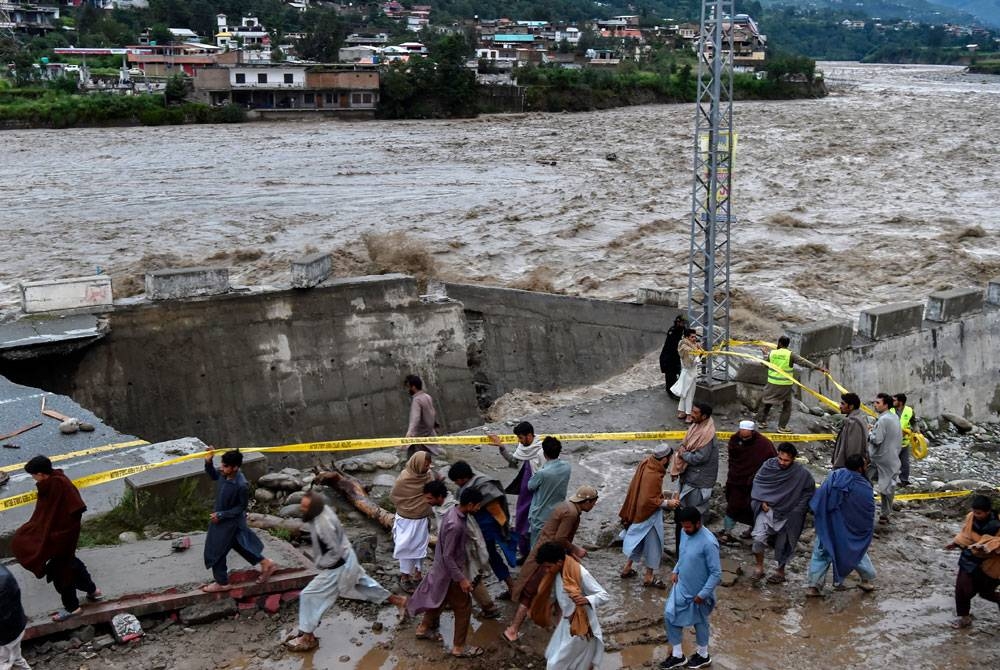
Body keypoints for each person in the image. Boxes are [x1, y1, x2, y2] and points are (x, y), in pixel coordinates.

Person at [284, 491, 407, 652]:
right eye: (302, 506)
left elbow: (334, 553)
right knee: (366, 585)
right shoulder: (324, 511)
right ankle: (399, 601)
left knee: (309, 595)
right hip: (349, 558)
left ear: (313, 508)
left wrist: (323, 565)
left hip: (339, 565)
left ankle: (307, 637)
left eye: (305, 507)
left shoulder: (323, 525)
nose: (302, 509)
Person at [503, 486, 599, 643]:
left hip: (550, 553)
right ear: (587, 501)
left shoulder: (567, 506)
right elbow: (560, 538)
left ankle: (559, 630)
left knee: (558, 594)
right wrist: (576, 549)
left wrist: (570, 554)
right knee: (531, 594)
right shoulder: (572, 514)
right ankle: (513, 630)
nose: (594, 506)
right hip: (549, 557)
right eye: (593, 503)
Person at [11, 455, 102, 622]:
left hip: (61, 537)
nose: (33, 479)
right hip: (61, 536)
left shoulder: (58, 485)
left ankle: (72, 608)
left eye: (34, 475)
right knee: (71, 563)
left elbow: (74, 510)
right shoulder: (54, 480)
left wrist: (56, 536)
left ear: (41, 474)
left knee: (61, 572)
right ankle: (93, 591)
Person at [408, 487, 486, 659]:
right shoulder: (456, 525)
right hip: (451, 574)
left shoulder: (453, 513)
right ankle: (459, 647)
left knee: (439, 601)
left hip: (441, 571)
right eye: (478, 505)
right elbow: (448, 556)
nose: (479, 508)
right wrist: (462, 579)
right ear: (471, 504)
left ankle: (423, 629)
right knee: (464, 608)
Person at [423, 479, 501, 620]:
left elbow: (471, 533)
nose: (426, 501)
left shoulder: (452, 514)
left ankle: (430, 622)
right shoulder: (444, 509)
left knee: (465, 579)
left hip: (460, 553)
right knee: (463, 580)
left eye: (429, 498)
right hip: (452, 552)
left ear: (439, 497)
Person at [202, 449, 276, 592]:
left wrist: (221, 515)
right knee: (240, 545)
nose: (222, 469)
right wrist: (208, 461)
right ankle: (266, 563)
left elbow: (241, 507)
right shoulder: (225, 474)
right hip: (223, 519)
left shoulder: (241, 485)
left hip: (228, 522)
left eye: (225, 466)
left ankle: (222, 583)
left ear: (235, 467)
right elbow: (213, 475)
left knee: (216, 550)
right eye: (222, 465)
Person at [806, 454, 877, 596]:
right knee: (855, 552)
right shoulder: (864, 487)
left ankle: (814, 586)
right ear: (860, 468)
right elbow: (867, 512)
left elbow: (820, 497)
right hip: (848, 530)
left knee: (821, 552)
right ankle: (866, 580)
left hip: (828, 525)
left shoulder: (834, 476)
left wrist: (821, 516)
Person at [531, 542, 609, 670]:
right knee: (580, 662)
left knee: (555, 664)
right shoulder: (557, 572)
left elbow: (604, 595)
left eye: (548, 566)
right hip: (566, 623)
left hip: (581, 626)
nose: (546, 571)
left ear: (559, 562)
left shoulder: (580, 573)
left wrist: (586, 599)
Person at [660, 507, 721, 670]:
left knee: (700, 622)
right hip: (681, 585)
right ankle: (678, 656)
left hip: (699, 592)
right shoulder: (685, 532)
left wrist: (703, 594)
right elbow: (684, 554)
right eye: (683, 526)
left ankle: (703, 655)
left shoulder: (709, 542)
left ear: (698, 523)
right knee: (669, 615)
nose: (685, 530)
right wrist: (676, 569)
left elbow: (716, 573)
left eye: (688, 526)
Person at [447, 461, 517, 597]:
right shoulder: (468, 485)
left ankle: (510, 587)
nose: (457, 484)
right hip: (475, 528)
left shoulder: (483, 485)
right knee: (485, 557)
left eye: (457, 481)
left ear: (463, 478)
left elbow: (497, 510)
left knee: (488, 556)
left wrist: (503, 528)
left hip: (486, 528)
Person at [749, 443, 816, 584]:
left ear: (793, 459)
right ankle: (759, 567)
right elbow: (758, 483)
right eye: (780, 458)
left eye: (786, 460)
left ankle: (780, 571)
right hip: (767, 510)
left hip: (788, 514)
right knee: (758, 539)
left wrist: (798, 509)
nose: (782, 462)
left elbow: (809, 491)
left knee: (784, 544)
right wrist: (761, 501)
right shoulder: (768, 467)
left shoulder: (801, 474)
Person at [619, 444, 674, 588]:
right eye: (669, 459)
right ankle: (649, 577)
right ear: (664, 460)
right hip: (649, 515)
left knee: (637, 540)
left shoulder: (647, 463)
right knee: (654, 544)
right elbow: (650, 500)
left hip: (636, 511)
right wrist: (668, 502)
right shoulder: (655, 476)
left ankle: (627, 568)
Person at [488, 421, 543, 559]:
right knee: (521, 521)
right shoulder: (523, 449)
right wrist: (501, 447)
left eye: (521, 437)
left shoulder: (542, 449)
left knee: (536, 523)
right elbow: (514, 461)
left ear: (529, 436)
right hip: (525, 493)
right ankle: (526, 554)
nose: (519, 440)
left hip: (539, 492)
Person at [670, 402, 719, 555]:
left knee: (694, 515)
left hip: (698, 482)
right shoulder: (696, 427)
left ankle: (694, 550)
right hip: (689, 478)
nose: (691, 414)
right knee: (683, 514)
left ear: (704, 416)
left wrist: (682, 454)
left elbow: (700, 457)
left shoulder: (707, 435)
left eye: (695, 412)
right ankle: (683, 549)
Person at [945, 494, 1000, 629]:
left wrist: (988, 547)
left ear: (988, 512)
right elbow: (965, 535)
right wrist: (956, 543)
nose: (976, 515)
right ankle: (964, 618)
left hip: (991, 563)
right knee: (962, 589)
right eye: (974, 512)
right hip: (969, 558)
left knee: (986, 592)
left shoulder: (998, 524)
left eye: (979, 513)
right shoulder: (970, 517)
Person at [754, 336, 828, 433]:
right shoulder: (790, 355)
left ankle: (762, 422)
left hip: (772, 383)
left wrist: (764, 354)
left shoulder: (772, 353)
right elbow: (803, 362)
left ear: (779, 343)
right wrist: (817, 368)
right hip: (784, 385)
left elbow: (764, 364)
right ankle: (782, 427)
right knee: (787, 406)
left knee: (767, 402)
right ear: (787, 344)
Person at [722, 420, 776, 543]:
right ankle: (727, 532)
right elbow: (733, 458)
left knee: (754, 508)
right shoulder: (735, 440)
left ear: (751, 431)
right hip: (736, 480)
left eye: (745, 431)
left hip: (755, 484)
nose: (742, 433)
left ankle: (753, 530)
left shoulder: (763, 444)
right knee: (732, 506)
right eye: (741, 430)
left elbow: (772, 461)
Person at [390, 452, 435, 593]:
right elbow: (394, 496)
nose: (428, 467)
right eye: (425, 465)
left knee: (420, 549)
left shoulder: (428, 476)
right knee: (405, 548)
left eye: (428, 465)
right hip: (406, 521)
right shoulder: (404, 479)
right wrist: (410, 507)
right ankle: (405, 577)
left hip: (421, 520)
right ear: (417, 464)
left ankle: (418, 575)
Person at [527, 436, 572, 546]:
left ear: (544, 453)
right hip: (558, 512)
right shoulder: (567, 467)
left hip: (540, 515)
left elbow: (530, 486)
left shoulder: (542, 473)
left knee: (537, 547)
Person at [868, 393, 902, 524]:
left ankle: (867, 508)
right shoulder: (894, 417)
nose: (875, 405)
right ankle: (885, 514)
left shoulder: (883, 420)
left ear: (885, 405)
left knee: (866, 481)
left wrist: (870, 433)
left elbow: (877, 439)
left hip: (879, 458)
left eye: (878, 403)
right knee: (888, 487)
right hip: (892, 456)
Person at [0, 563, 30, 670]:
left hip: (6, 634)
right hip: (15, 626)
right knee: (15, 657)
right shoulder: (3, 573)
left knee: (4, 663)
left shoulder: (2, 582)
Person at [404, 374, 441, 457]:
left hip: (419, 437)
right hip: (429, 433)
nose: (408, 390)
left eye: (408, 387)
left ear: (413, 387)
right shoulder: (427, 396)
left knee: (413, 460)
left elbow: (415, 418)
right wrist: (436, 425)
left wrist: (409, 433)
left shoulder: (417, 400)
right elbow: (433, 412)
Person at [670, 329, 700, 422]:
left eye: (695, 336)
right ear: (687, 337)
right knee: (689, 395)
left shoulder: (686, 345)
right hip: (689, 373)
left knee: (684, 394)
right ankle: (688, 415)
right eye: (692, 337)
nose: (694, 338)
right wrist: (700, 355)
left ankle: (682, 412)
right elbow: (690, 363)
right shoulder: (687, 348)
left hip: (687, 373)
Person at [832, 392, 868, 469]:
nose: (840, 406)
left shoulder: (854, 422)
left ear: (851, 406)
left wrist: (850, 468)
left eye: (843, 404)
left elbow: (853, 449)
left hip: (847, 467)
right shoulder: (854, 419)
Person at [660, 315, 687, 396]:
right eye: (682, 323)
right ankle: (671, 393)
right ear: (678, 322)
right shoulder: (673, 331)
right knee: (671, 377)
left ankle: (676, 391)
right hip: (669, 358)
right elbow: (673, 346)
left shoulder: (683, 330)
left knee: (680, 374)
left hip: (676, 358)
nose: (683, 324)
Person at [891, 393, 914, 486]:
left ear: (900, 402)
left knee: (905, 463)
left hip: (904, 442)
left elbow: (913, 422)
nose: (892, 402)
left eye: (894, 400)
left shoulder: (909, 411)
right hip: (892, 441)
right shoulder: (890, 410)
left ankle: (904, 480)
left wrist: (916, 431)